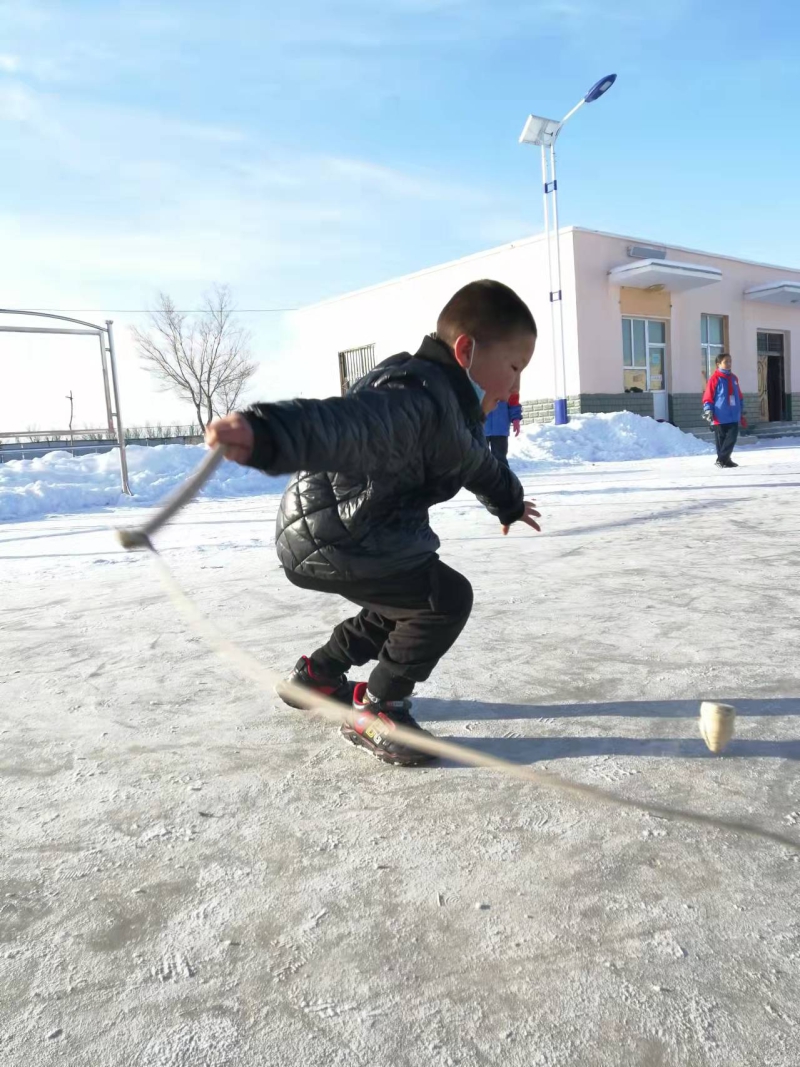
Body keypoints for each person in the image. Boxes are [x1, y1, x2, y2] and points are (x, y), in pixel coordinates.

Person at [205, 279, 541, 767]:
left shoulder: (448, 404)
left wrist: (509, 502)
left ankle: (317, 675)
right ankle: (379, 707)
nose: (514, 388)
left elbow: (477, 463)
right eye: (513, 369)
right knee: (443, 599)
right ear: (466, 350)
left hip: (349, 534)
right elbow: (350, 423)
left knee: (402, 605)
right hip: (342, 536)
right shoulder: (414, 397)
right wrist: (269, 432)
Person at [702, 353, 746, 468]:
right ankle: (724, 460)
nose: (729, 364)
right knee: (721, 441)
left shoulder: (734, 378)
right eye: (726, 361)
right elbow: (708, 396)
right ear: (718, 364)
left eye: (730, 361)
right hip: (720, 415)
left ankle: (722, 459)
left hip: (733, 414)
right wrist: (708, 410)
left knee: (731, 438)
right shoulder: (715, 379)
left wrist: (741, 408)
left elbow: (739, 395)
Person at [483, 391, 522, 466]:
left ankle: (502, 477)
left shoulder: (506, 379)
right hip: (480, 426)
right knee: (480, 459)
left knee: (501, 460)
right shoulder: (477, 379)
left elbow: (513, 399)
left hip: (500, 428)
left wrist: (516, 418)